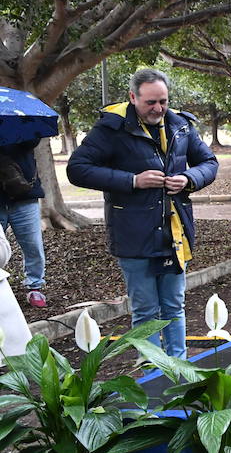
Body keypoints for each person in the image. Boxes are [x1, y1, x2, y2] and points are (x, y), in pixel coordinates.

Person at [67, 68, 218, 359]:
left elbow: (209, 162)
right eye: (150, 102)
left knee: (174, 306)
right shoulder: (110, 129)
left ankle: (179, 370)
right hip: (133, 235)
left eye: (163, 101)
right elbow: (77, 169)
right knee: (146, 310)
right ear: (133, 97)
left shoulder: (181, 126)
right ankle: (149, 374)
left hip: (174, 233)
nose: (158, 108)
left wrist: (189, 179)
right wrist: (132, 181)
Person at [0, 138, 48, 307]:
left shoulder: (18, 119)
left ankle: (35, 286)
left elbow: (32, 140)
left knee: (33, 245)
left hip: (24, 193)